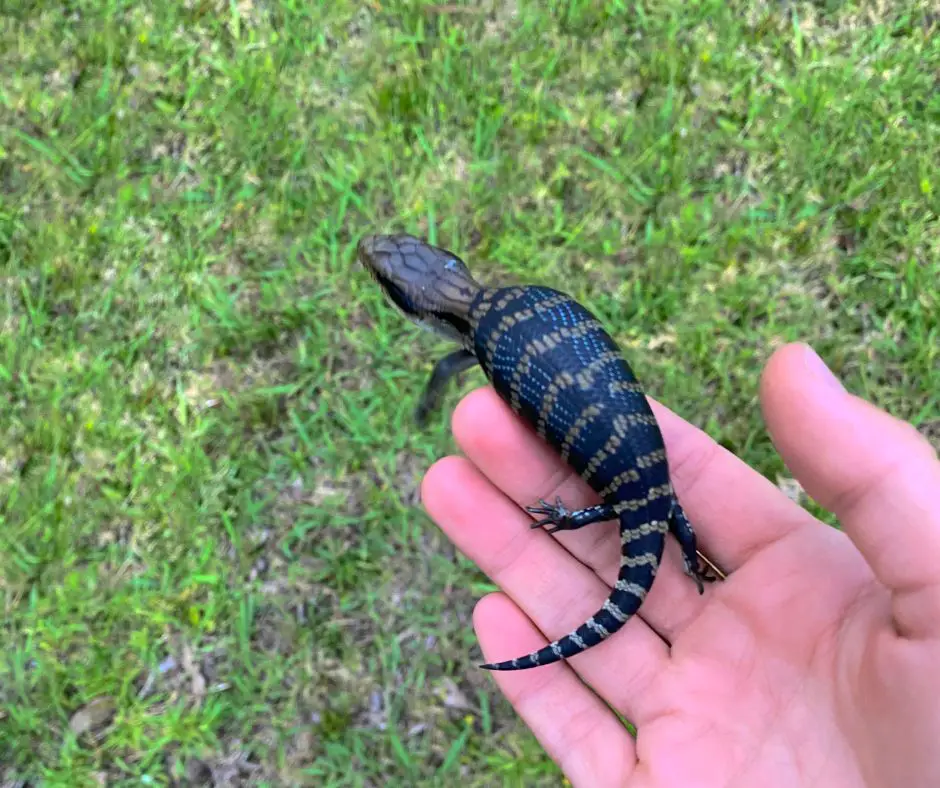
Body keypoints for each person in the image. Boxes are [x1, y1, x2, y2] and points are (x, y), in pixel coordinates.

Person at [421, 343, 940, 787]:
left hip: (640, 500)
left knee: (656, 528)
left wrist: (574, 518)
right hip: (648, 498)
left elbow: (645, 519)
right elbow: (674, 526)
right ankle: (677, 571)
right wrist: (688, 562)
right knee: (669, 522)